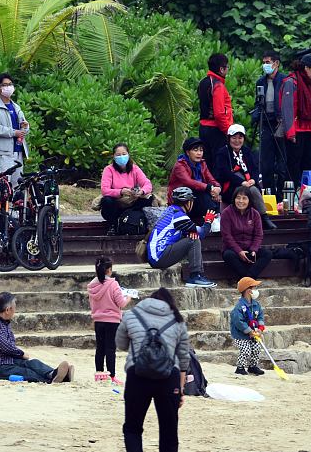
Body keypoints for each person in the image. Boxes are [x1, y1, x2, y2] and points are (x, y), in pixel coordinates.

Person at [116, 287, 191, 452]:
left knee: (132, 427)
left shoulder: (131, 315)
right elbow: (184, 358)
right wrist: (181, 389)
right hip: (168, 377)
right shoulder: (177, 320)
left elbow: (120, 344)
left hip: (137, 375)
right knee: (169, 431)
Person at [0, 292, 73, 382]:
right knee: (27, 373)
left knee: (33, 363)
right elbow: (6, 347)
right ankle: (53, 380)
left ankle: (53, 374)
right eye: (14, 308)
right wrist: (22, 354)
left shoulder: (4, 322)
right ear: (7, 310)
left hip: (10, 360)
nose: (15, 311)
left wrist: (20, 356)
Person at [147, 186, 217, 288]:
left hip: (157, 255)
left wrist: (190, 233)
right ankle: (195, 276)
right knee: (194, 240)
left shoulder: (171, 210)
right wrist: (208, 221)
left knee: (193, 237)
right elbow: (202, 233)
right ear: (188, 202)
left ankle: (199, 275)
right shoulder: (179, 216)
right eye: (192, 201)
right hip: (159, 256)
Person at [213, 124, 276, 229]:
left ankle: (264, 218)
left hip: (248, 184)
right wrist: (241, 182)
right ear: (229, 138)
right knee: (244, 191)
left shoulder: (246, 151)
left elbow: (255, 168)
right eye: (234, 138)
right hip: (231, 186)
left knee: (254, 190)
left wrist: (253, 180)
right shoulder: (222, 153)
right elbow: (223, 172)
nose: (237, 141)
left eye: (240, 138)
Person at [278, 53, 311, 186]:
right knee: (293, 166)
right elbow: (287, 109)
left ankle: (307, 194)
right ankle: (291, 197)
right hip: (296, 131)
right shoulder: (291, 82)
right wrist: (290, 133)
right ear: (306, 68)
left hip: (309, 131)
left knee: (309, 164)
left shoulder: (310, 84)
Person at [88, 256, 130, 385]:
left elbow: (92, 303)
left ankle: (99, 373)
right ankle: (111, 375)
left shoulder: (92, 285)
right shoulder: (113, 284)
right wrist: (129, 297)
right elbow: (121, 303)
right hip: (112, 321)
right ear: (109, 270)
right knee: (110, 349)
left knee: (100, 348)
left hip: (98, 320)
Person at [253, 51, 289, 198]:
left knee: (282, 163)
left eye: (268, 62)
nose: (265, 65)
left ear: (276, 63)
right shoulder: (260, 81)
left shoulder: (284, 80)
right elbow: (257, 102)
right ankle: (268, 196)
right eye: (264, 62)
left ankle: (281, 195)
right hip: (265, 122)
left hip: (280, 123)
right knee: (266, 163)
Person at [221, 185, 272, 281]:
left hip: (250, 249)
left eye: (244, 198)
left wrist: (253, 250)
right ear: (234, 199)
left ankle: (248, 279)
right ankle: (248, 280)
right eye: (238, 198)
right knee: (228, 255)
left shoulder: (255, 214)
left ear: (249, 200)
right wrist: (239, 251)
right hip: (234, 250)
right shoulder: (226, 213)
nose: (241, 201)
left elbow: (258, 235)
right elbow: (227, 236)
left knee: (267, 254)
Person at [100, 144, 154, 235]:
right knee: (106, 201)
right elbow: (105, 190)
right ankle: (113, 225)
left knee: (149, 198)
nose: (121, 157)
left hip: (132, 201)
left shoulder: (135, 169)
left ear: (128, 155)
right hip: (116, 202)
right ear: (113, 156)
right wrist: (121, 191)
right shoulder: (108, 169)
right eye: (118, 155)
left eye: (124, 154)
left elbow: (147, 184)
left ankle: (132, 218)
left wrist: (141, 191)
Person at [0, 73, 28, 188]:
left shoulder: (16, 107)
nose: (8, 87)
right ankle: (0, 207)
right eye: (5, 85)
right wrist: (14, 132)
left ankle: (13, 207)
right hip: (3, 153)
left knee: (17, 186)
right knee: (2, 186)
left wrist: (25, 127)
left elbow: (23, 125)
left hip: (18, 151)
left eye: (10, 84)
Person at [168, 137, 222, 226]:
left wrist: (217, 188)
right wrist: (209, 188)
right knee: (202, 193)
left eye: (201, 150)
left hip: (195, 198)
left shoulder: (202, 164)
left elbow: (211, 179)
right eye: (195, 150)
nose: (199, 153)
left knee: (213, 195)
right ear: (188, 152)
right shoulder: (180, 165)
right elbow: (189, 182)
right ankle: (212, 220)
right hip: (180, 199)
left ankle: (214, 218)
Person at [198, 53, 233, 168]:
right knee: (219, 163)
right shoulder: (218, 86)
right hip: (216, 129)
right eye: (227, 67)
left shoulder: (203, 82)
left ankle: (208, 185)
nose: (227, 70)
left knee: (207, 162)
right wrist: (228, 131)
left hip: (203, 127)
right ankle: (218, 185)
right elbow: (219, 114)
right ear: (221, 69)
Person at [229, 277, 267, 376]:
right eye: (254, 288)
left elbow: (260, 317)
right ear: (248, 290)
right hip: (241, 334)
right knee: (246, 350)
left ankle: (252, 366)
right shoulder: (239, 307)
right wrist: (249, 331)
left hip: (254, 332)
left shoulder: (256, 305)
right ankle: (240, 367)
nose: (256, 290)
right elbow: (239, 322)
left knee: (256, 348)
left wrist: (260, 329)